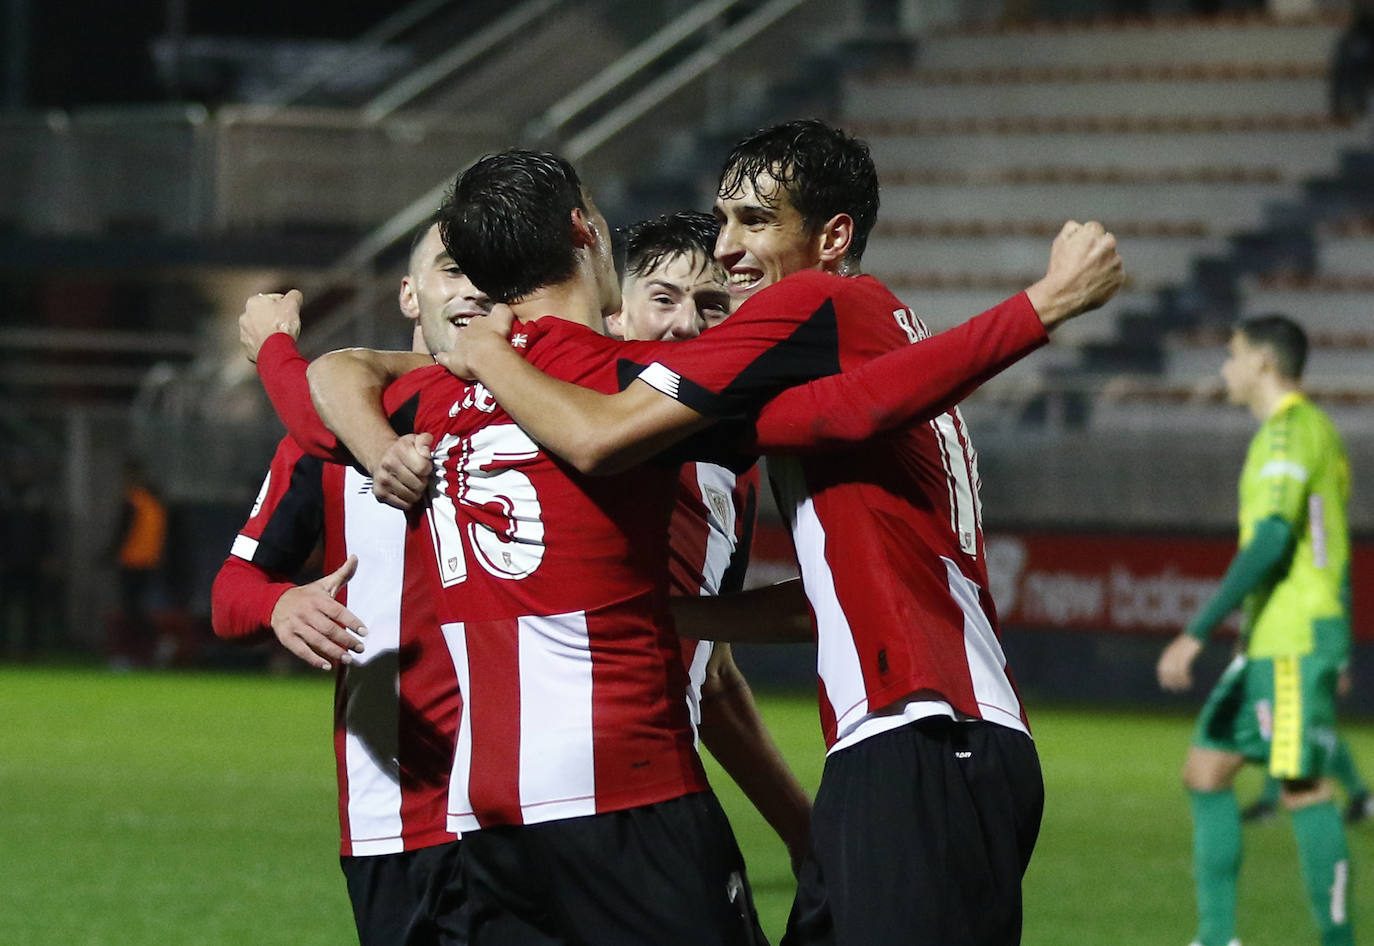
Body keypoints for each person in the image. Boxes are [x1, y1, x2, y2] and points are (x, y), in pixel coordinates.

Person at [325, 125, 1124, 946]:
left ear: (832, 237)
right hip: (913, 733)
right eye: (724, 221)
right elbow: (837, 445)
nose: (726, 250)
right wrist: (678, 618)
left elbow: (601, 433)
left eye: (754, 223)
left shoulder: (816, 302)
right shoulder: (862, 341)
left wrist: (1043, 306)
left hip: (925, 728)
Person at [209, 219, 489, 946]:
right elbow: (231, 592)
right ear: (408, 293)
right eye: (454, 269)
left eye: (494, 272)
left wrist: (275, 349)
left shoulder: (526, 412)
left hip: (528, 804)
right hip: (392, 816)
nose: (475, 288)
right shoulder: (316, 450)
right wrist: (280, 604)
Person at [1156, 315, 1354, 946]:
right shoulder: (1312, 432)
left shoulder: (1288, 433)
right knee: (1205, 771)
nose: (1225, 369)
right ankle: (1217, 939)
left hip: (1292, 641)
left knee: (1302, 788)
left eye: (1233, 355)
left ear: (1265, 364)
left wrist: (1197, 631)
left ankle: (1339, 940)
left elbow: (1271, 540)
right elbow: (1330, 547)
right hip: (1276, 640)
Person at [108, 459, 168, 668]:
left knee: (131, 611)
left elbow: (122, 532)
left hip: (132, 562)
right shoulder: (153, 502)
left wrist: (107, 556)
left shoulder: (133, 501)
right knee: (138, 609)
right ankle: (153, 648)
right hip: (149, 562)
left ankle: (130, 654)